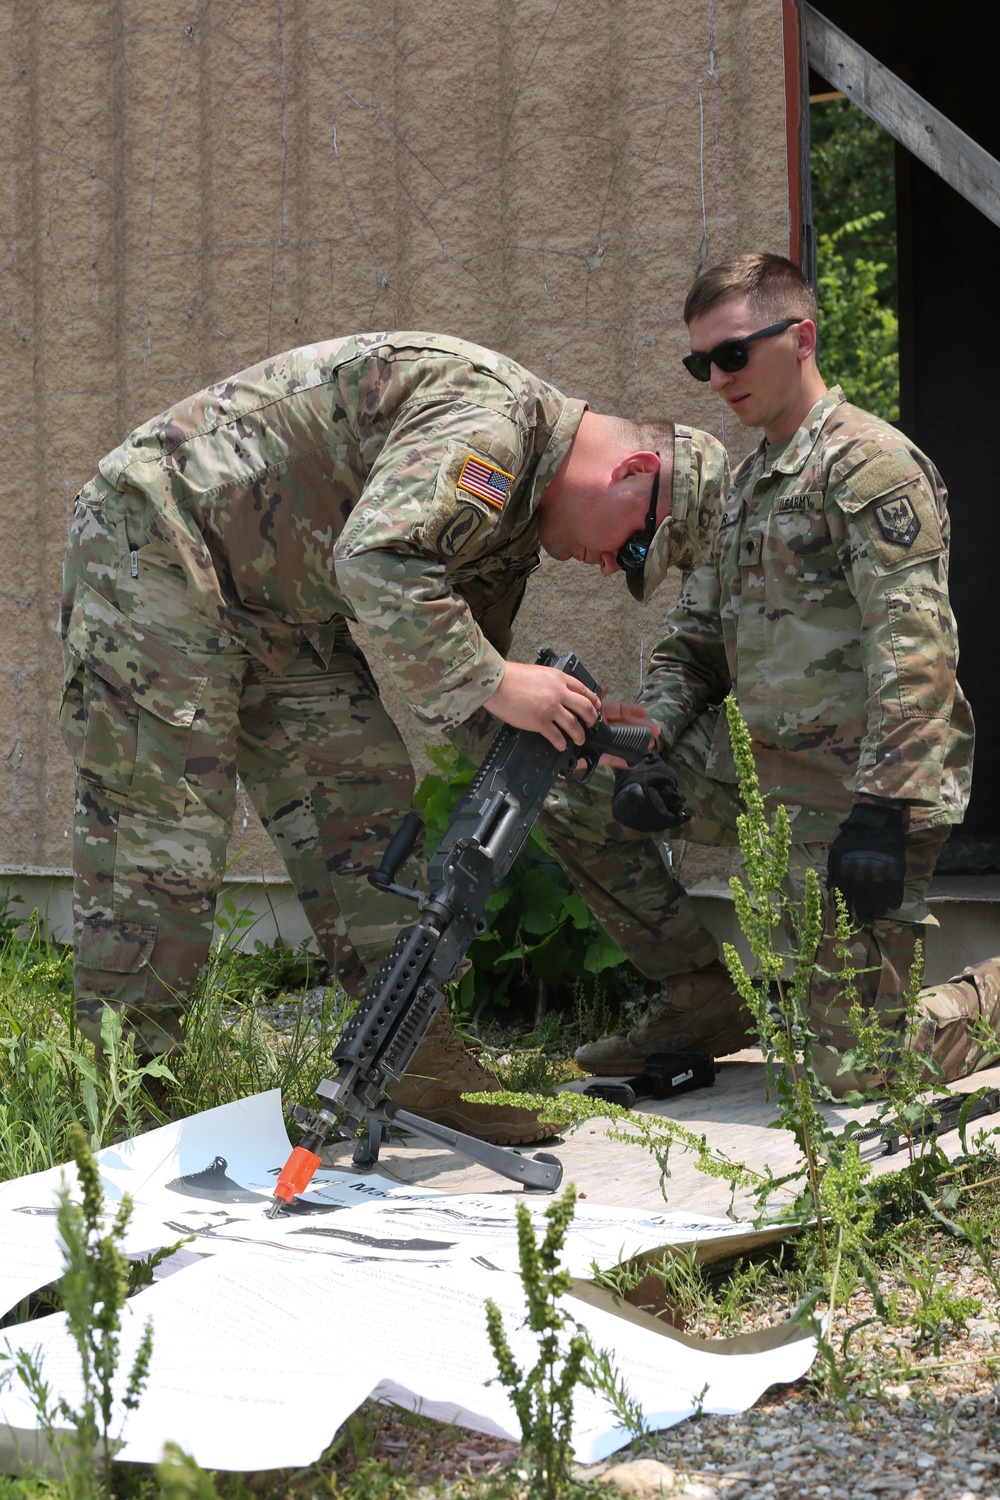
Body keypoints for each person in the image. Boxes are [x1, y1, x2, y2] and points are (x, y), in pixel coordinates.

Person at [59, 331, 725, 1142]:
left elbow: (471, 691)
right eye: (637, 546)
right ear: (633, 473)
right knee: (161, 845)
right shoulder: (493, 429)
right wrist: (502, 680)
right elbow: (377, 565)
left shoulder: (514, 523)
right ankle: (123, 1110)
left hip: (284, 599)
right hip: (162, 549)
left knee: (363, 806)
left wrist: (580, 731)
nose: (612, 566)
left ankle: (419, 1064)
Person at [572, 253, 1000, 1096]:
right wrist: (652, 741)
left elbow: (915, 650)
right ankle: (701, 1001)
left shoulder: (868, 467)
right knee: (570, 787)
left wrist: (884, 807)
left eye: (732, 353)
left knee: (855, 1073)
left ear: (800, 337)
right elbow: (692, 641)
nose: (716, 378)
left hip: (857, 791)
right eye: (701, 363)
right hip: (757, 770)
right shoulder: (746, 490)